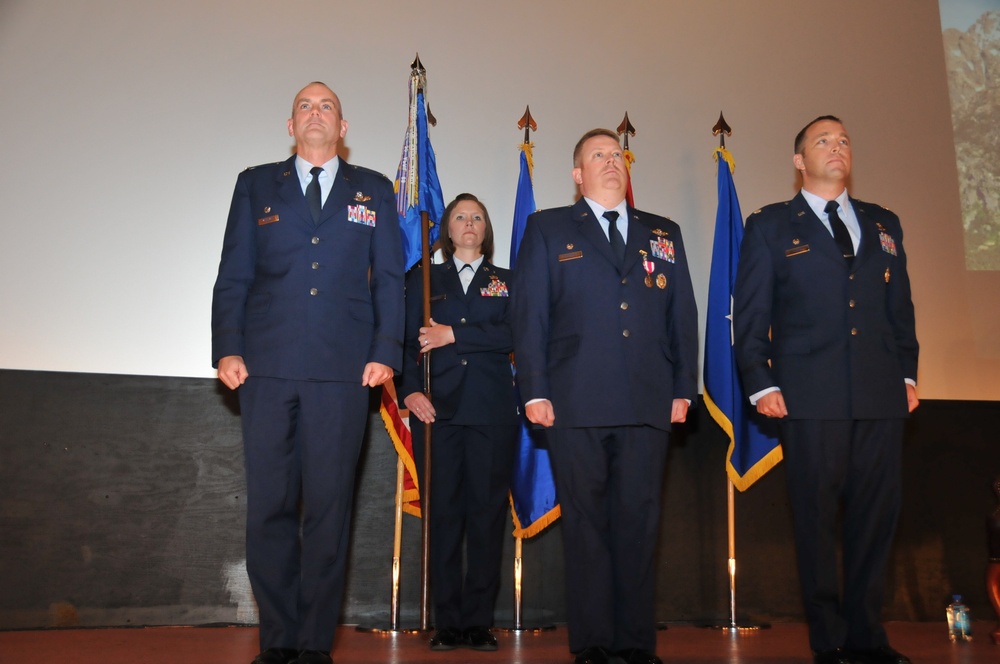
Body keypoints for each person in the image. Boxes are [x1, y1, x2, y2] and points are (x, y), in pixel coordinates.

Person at [211, 81, 404, 664]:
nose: (315, 114)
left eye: (327, 107)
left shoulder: (374, 189)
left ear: (343, 129)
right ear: (289, 124)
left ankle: (314, 646)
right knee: (269, 506)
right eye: (305, 106)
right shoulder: (254, 184)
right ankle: (278, 642)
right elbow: (234, 274)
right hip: (266, 369)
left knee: (328, 509)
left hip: (344, 371)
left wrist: (386, 349)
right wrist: (227, 346)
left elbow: (391, 279)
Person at [733, 116, 919, 664]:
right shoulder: (770, 226)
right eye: (823, 141)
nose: (836, 148)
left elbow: (900, 309)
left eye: (843, 141)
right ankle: (830, 640)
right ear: (799, 161)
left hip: (880, 394)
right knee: (815, 522)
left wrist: (907, 374)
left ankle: (867, 637)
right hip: (807, 395)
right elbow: (749, 317)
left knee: (875, 520)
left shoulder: (884, 223)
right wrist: (760, 381)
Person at [511, 129, 698, 664]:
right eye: (599, 156)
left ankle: (636, 643)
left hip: (648, 400)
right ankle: (593, 642)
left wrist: (684, 386)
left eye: (617, 155)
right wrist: (535, 390)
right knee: (588, 526)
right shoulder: (547, 228)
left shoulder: (663, 232)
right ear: (577, 175)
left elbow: (681, 316)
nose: (611, 162)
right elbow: (530, 317)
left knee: (639, 524)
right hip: (574, 399)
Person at [397, 193, 519, 653]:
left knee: (487, 518)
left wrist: (456, 335)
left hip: (491, 413)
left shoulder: (507, 282)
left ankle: (479, 622)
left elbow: (517, 332)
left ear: (486, 231)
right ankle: (447, 622)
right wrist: (409, 389)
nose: (469, 223)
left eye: (478, 218)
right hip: (437, 412)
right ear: (447, 230)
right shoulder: (423, 279)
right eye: (460, 217)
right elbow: (406, 340)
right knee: (443, 517)